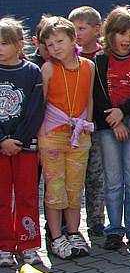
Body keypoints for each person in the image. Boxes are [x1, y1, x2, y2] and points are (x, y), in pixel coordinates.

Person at [93, 7, 130, 251]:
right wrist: (114, 120)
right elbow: (97, 95)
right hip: (108, 125)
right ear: (110, 34)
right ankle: (114, 229)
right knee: (113, 180)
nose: (126, 39)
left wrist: (124, 114)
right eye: (121, 34)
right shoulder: (100, 60)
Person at [38, 16, 95, 260]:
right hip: (52, 136)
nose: (56, 48)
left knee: (74, 187)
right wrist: (41, 133)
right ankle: (56, 237)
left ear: (74, 40)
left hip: (78, 136)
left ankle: (73, 232)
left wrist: (86, 125)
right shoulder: (48, 68)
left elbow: (89, 97)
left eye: (60, 41)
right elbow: (40, 103)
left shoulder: (88, 66)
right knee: (55, 187)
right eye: (50, 45)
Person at [0, 18, 45, 266]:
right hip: (1, 148)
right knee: (2, 197)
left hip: (25, 147)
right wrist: (2, 140)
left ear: (19, 45)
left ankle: (28, 243)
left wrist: (19, 138)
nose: (0, 48)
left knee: (27, 195)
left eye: (5, 43)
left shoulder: (31, 72)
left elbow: (35, 109)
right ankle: (4, 246)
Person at [68, 6, 105, 238]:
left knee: (96, 176)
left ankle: (96, 221)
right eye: (73, 29)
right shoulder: (67, 57)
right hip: (71, 128)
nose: (77, 33)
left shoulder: (102, 56)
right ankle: (68, 225)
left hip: (98, 127)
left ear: (97, 29)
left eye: (82, 28)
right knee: (72, 177)